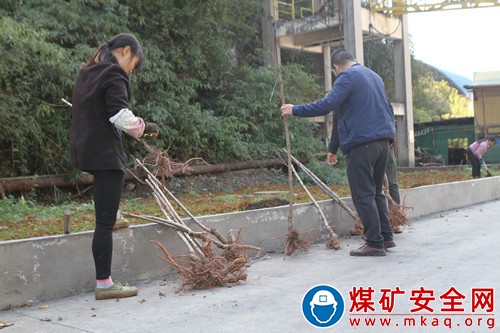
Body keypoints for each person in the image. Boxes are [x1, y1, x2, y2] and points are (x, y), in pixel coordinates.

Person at [70, 33, 159, 300]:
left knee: (107, 214)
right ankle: (105, 284)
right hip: (105, 156)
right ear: (126, 51)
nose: (132, 69)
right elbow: (120, 115)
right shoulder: (113, 73)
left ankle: (114, 214)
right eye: (134, 62)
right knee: (104, 224)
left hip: (85, 150)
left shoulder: (89, 72)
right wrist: (145, 129)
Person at [281, 48, 395, 257]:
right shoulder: (373, 76)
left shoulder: (347, 77)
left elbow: (327, 105)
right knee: (376, 192)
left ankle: (374, 243)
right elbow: (345, 112)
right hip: (382, 142)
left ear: (336, 67)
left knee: (363, 195)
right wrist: (333, 148)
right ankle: (385, 237)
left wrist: (295, 109)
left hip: (362, 144)